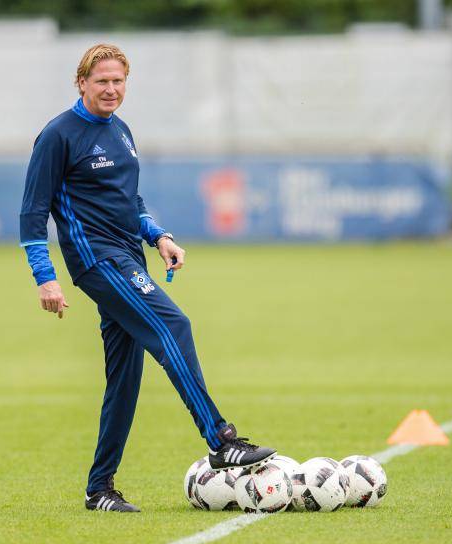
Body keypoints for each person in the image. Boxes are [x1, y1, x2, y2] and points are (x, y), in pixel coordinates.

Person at [19, 43, 275, 513]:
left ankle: (99, 490)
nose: (111, 89)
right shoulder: (58, 135)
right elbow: (33, 213)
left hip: (128, 255)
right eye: (102, 81)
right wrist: (46, 278)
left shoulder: (121, 131)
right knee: (173, 325)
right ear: (81, 83)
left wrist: (159, 236)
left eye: (118, 81)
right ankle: (221, 440)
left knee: (125, 378)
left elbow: (129, 202)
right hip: (97, 261)